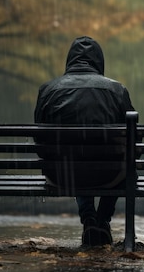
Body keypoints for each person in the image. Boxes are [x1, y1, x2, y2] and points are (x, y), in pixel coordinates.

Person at [34, 36, 135, 247]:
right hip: (110, 175)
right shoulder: (117, 91)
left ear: (70, 60)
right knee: (125, 164)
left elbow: (39, 137)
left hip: (62, 174)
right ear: (99, 61)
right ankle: (102, 220)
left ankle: (88, 217)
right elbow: (133, 141)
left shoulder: (48, 91)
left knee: (75, 158)